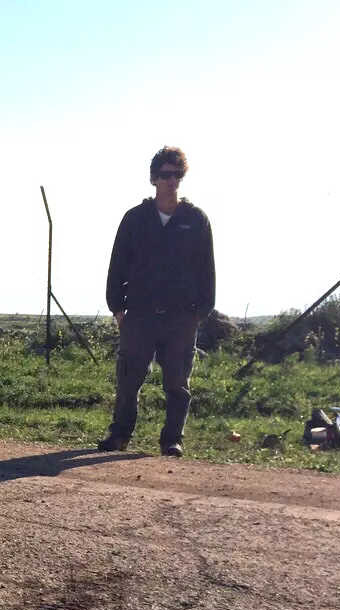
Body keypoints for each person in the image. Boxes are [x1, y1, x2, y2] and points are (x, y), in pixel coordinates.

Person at [100, 146, 215, 457]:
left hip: (180, 318)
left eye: (177, 175)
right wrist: (118, 309)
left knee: (177, 382)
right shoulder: (136, 219)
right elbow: (117, 264)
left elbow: (207, 268)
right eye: (166, 175)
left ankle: (172, 440)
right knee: (129, 379)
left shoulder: (195, 220)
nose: (172, 181)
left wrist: (199, 313)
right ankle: (119, 435)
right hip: (139, 315)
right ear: (153, 178)